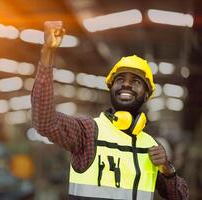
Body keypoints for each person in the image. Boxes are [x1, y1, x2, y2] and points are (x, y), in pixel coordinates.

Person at [31, 21, 189, 200]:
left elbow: (180, 196)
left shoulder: (150, 145)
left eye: (136, 82)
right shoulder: (88, 132)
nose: (127, 84)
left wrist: (167, 170)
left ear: (147, 95)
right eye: (120, 79)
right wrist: (48, 52)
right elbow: (44, 122)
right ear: (111, 88)